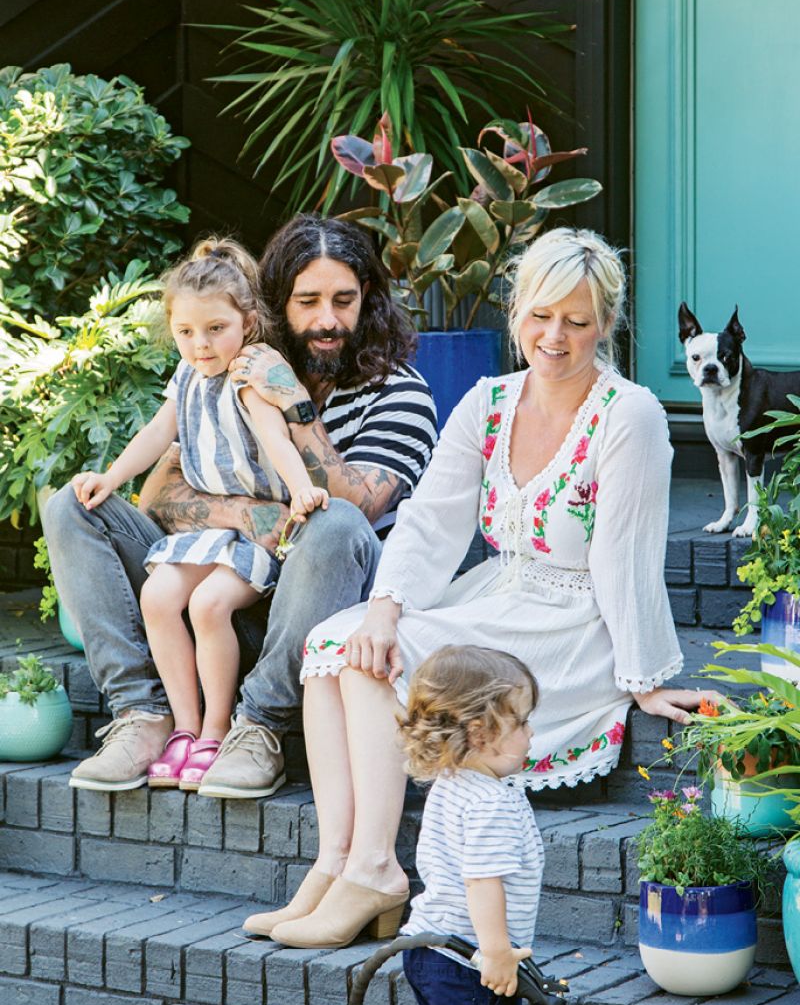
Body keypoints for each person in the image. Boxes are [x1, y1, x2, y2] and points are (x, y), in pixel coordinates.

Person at [245, 226, 703, 947]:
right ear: (515, 312)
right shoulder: (490, 401)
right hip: (497, 595)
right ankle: (335, 863)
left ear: (606, 325)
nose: (554, 336)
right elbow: (429, 524)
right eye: (539, 316)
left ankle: (376, 868)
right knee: (340, 639)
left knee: (355, 654)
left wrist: (644, 677)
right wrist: (387, 609)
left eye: (577, 322)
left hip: (569, 624)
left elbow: (626, 556)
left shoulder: (631, 416)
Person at [43, 214, 437, 795]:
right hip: (214, 592)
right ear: (273, 304)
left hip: (313, 612)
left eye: (344, 300)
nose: (327, 320)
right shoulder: (221, 366)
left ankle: (260, 727)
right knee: (71, 505)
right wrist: (254, 517)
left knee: (334, 522)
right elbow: (158, 500)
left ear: (369, 300)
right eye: (308, 301)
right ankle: (142, 715)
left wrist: (296, 407)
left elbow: (358, 511)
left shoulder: (401, 393)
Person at [69, 238, 329, 791]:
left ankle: (216, 731)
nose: (200, 344)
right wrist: (110, 478)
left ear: (247, 323)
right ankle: (182, 729)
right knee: (159, 597)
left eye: (215, 329)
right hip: (205, 533)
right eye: (186, 332)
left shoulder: (249, 377)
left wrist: (303, 488)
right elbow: (158, 433)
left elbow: (276, 439)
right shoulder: (186, 377)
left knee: (210, 605)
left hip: (254, 537)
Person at [397, 646, 544, 1005]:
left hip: (427, 949)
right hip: (470, 961)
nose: (531, 733)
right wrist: (496, 953)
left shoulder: (452, 782)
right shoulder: (489, 802)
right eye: (520, 722)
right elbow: (482, 881)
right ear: (480, 734)